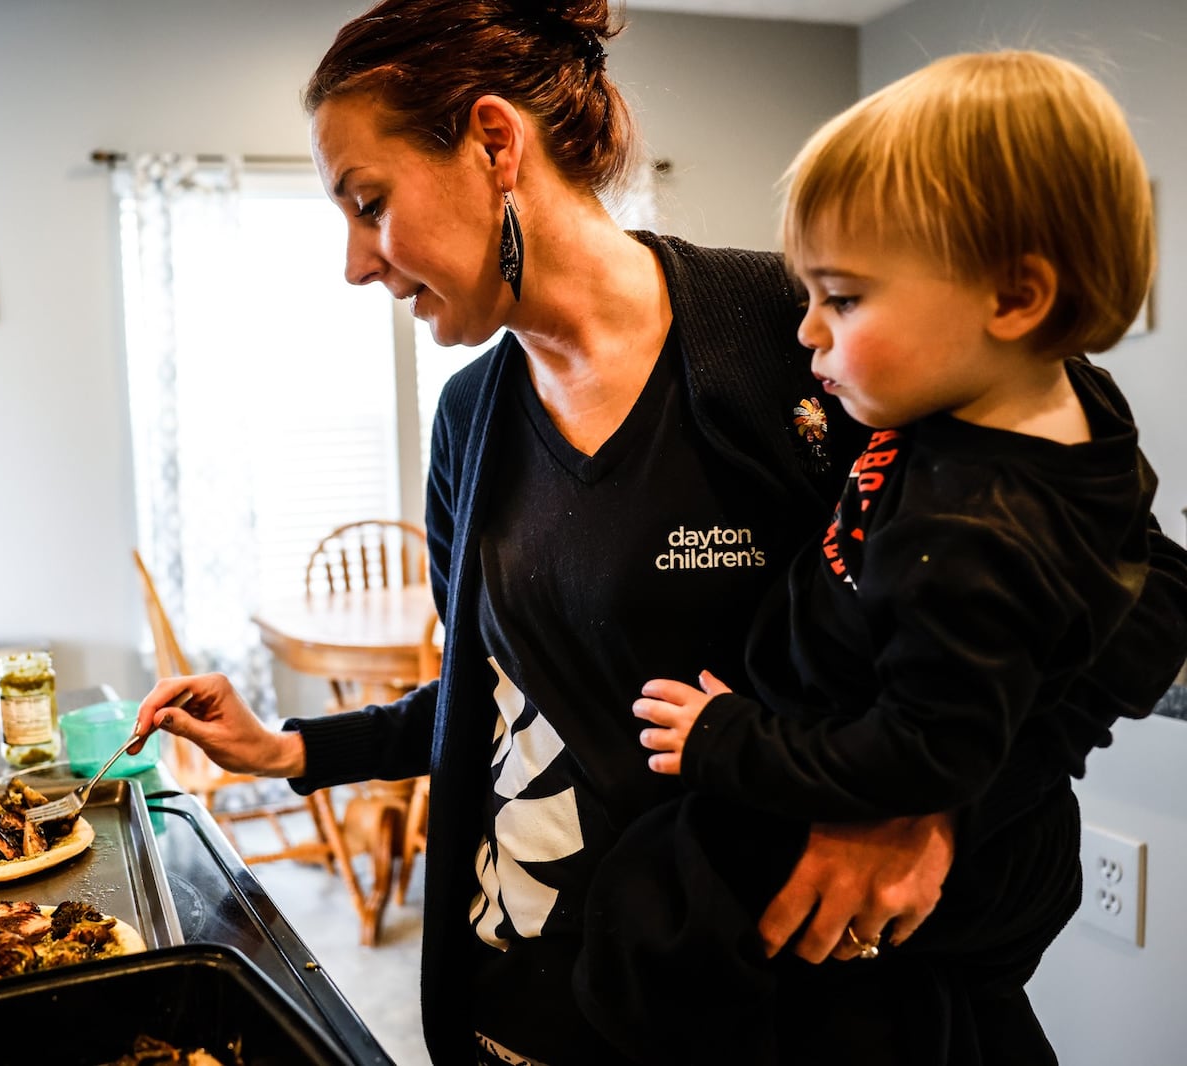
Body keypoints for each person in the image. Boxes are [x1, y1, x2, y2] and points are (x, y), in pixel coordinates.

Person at [130, 4, 1187, 1064]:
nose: (356, 262)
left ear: (496, 142)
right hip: (526, 1010)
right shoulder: (471, 420)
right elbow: (497, 700)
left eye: (369, 203)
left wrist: (931, 808)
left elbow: (1135, 595)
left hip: (800, 1014)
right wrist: (291, 748)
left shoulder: (820, 330)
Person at [580, 48, 1187, 1066]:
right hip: (891, 775)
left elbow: (923, 757)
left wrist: (731, 739)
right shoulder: (1047, 407)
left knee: (648, 926)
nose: (806, 329)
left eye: (844, 298)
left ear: (1014, 298)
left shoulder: (973, 537)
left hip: (815, 769)